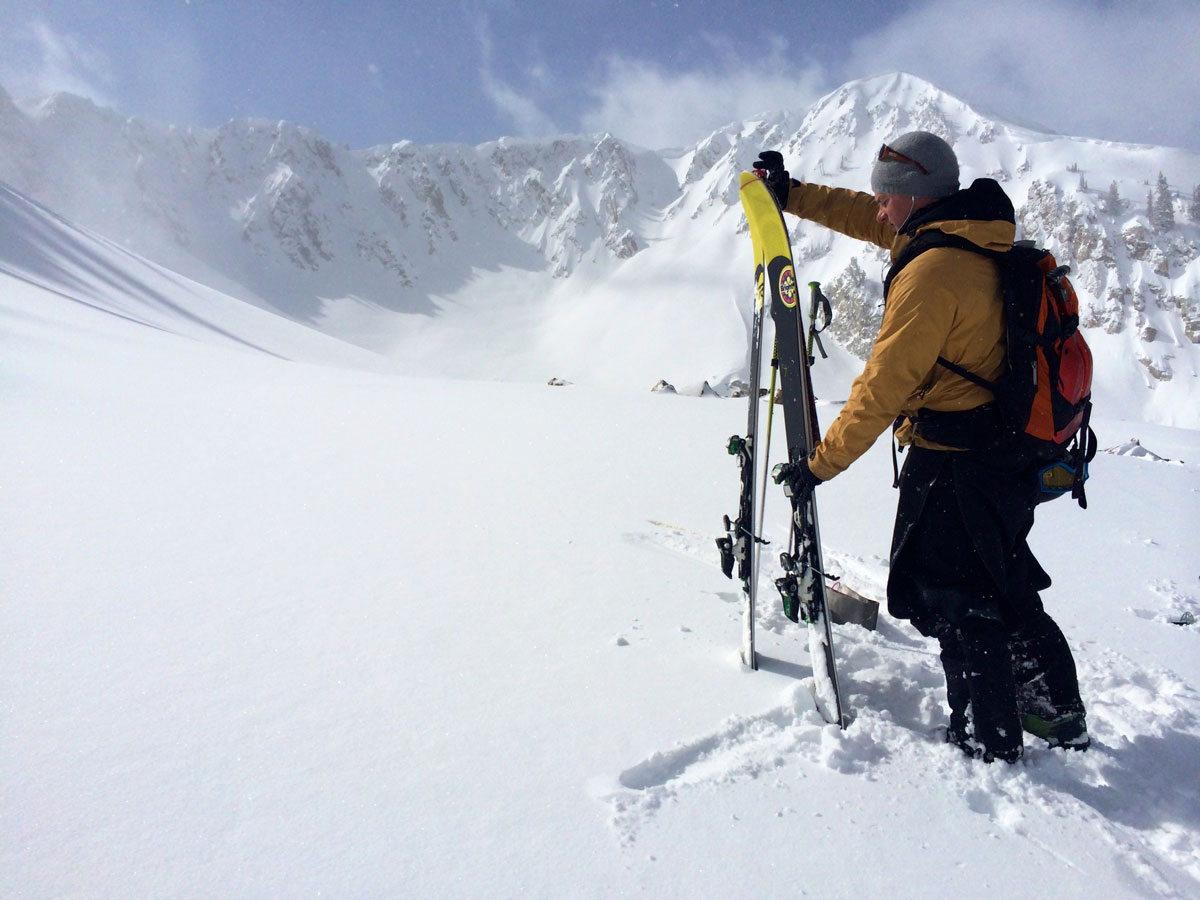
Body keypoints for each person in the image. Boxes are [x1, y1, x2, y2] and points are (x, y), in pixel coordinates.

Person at [754, 133, 1088, 763]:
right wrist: (792, 195)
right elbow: (859, 212)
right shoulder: (964, 234)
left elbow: (883, 386)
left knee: (956, 598)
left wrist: (819, 465)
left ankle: (988, 741)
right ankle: (1057, 712)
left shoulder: (933, 273)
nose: (878, 211)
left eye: (887, 200)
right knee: (1004, 577)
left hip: (957, 458)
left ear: (913, 198)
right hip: (1008, 452)